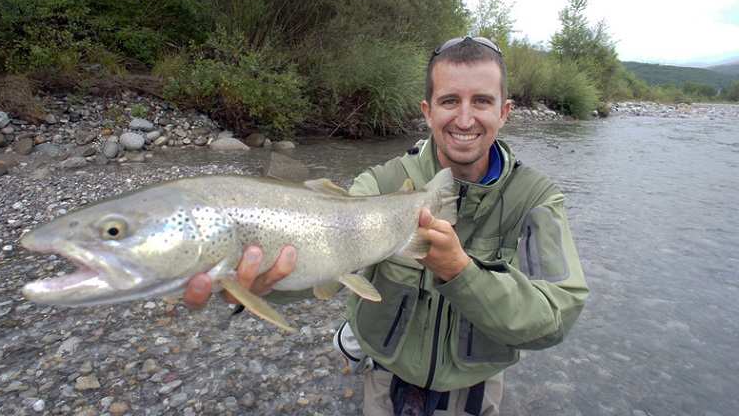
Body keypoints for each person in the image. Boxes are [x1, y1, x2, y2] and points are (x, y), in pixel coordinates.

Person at [183, 36, 590, 415]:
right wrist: (260, 286)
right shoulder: (380, 185)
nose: (465, 119)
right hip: (385, 381)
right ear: (428, 111)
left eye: (481, 101)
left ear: (504, 112)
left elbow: (555, 319)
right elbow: (319, 268)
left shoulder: (536, 199)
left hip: (477, 391)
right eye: (450, 101)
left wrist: (459, 272)